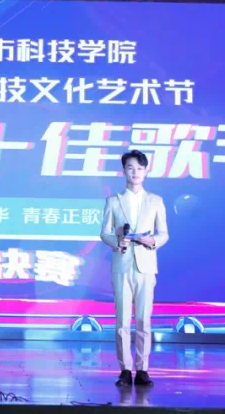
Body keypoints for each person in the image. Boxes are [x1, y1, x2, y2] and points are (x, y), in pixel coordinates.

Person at [100, 150, 169, 387]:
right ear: (124, 171)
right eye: (130, 168)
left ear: (146, 171)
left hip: (146, 265)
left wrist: (153, 241)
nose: (135, 172)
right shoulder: (113, 200)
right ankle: (124, 369)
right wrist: (117, 241)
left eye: (140, 168)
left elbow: (164, 233)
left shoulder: (155, 201)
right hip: (122, 264)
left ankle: (142, 369)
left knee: (143, 319)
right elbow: (105, 232)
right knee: (122, 321)